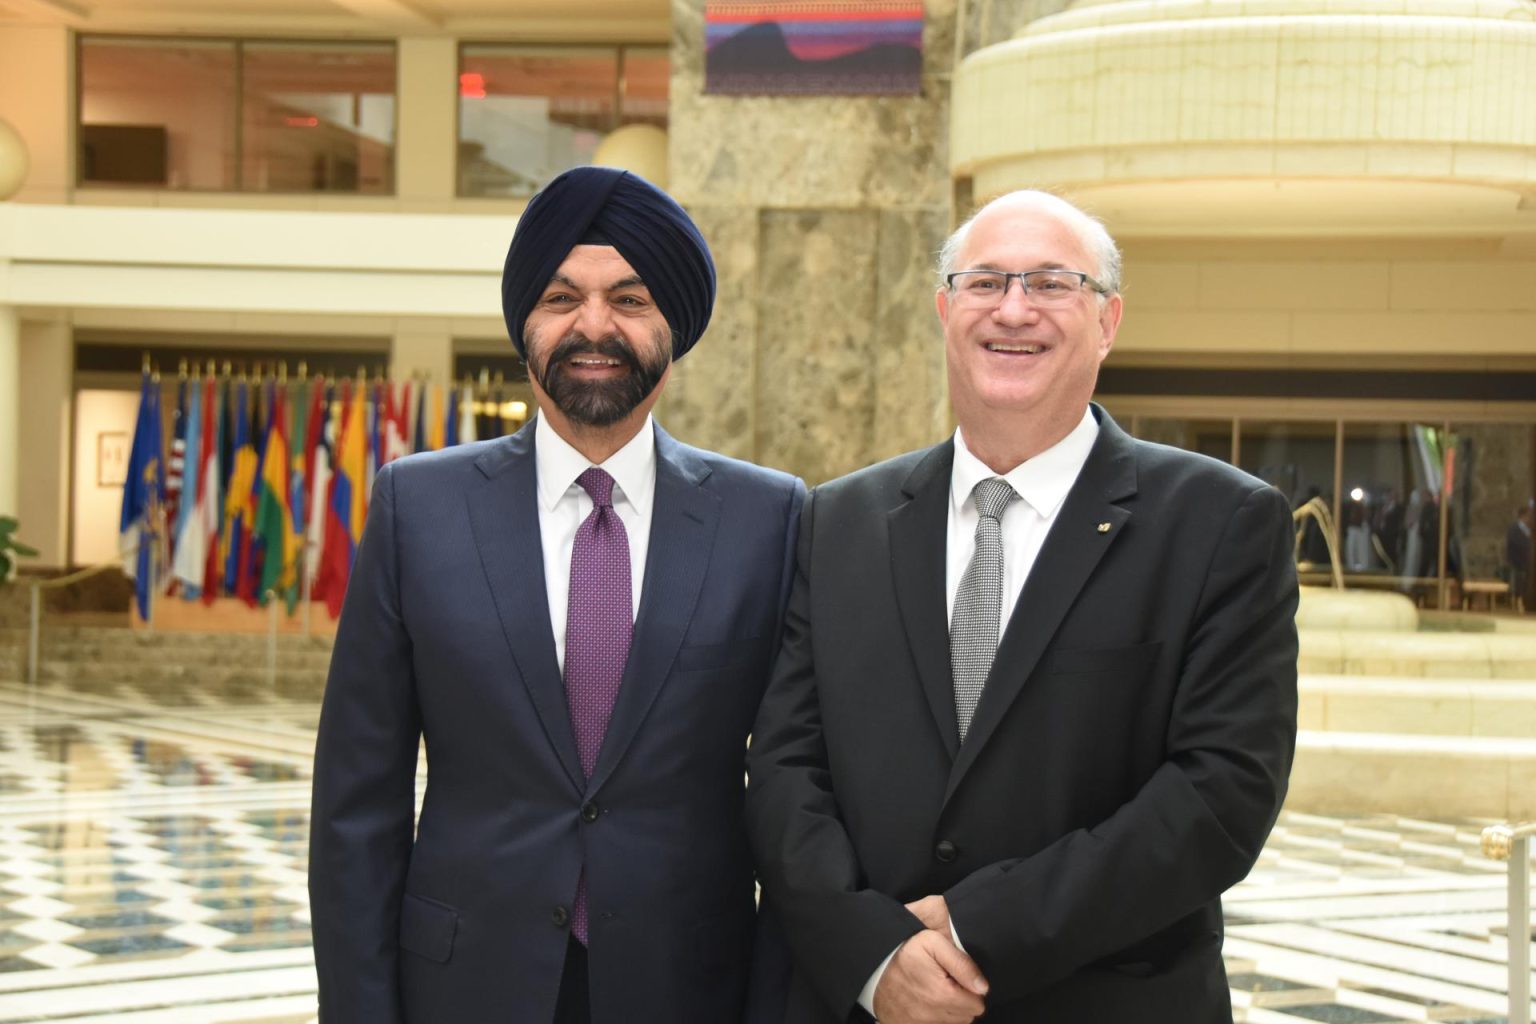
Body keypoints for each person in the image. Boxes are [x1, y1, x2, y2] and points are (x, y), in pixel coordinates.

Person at [745, 190, 1299, 1024]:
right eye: (985, 283)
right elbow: (785, 767)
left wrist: (974, 926)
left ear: (1108, 321)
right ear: (944, 309)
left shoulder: (1221, 523)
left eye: (1050, 284)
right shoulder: (838, 521)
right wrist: (873, 953)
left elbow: (1221, 795)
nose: (1014, 309)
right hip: (861, 1003)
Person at [310, 166, 805, 1023]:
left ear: (675, 326)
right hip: (462, 983)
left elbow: (798, 791)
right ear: (524, 323)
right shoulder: (416, 508)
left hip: (690, 987)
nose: (594, 325)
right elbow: (358, 804)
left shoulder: (770, 517)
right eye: (561, 296)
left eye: (631, 297)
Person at [1508, 502, 1533, 609]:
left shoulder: (1528, 530)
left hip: (1527, 562)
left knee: (1525, 581)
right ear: (1523, 516)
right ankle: (1517, 601)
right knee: (1518, 582)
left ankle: (1524, 601)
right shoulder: (1515, 529)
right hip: (1518, 561)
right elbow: (1516, 543)